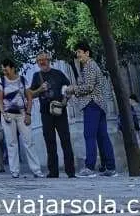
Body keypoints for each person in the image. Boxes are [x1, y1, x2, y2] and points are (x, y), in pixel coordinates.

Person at [64, 41, 116, 178]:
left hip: (92, 103)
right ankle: (110, 167)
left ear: (87, 53)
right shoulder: (89, 66)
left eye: (80, 53)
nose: (78, 56)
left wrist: (73, 89)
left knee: (89, 135)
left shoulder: (90, 66)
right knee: (102, 136)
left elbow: (88, 87)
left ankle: (89, 167)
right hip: (99, 104)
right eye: (77, 54)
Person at [28, 51, 75, 178]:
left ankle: (71, 171)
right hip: (46, 113)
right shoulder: (36, 76)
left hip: (60, 111)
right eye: (39, 61)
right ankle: (53, 172)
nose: (42, 62)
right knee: (50, 142)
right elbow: (31, 94)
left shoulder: (58, 73)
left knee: (65, 140)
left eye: (44, 59)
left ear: (49, 60)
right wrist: (40, 89)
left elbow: (69, 87)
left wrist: (66, 99)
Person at [0, 58, 44, 178]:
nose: (4, 72)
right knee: (12, 143)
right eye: (3, 70)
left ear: (12, 68)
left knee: (29, 141)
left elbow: (29, 97)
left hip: (22, 113)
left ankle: (36, 170)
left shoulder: (22, 80)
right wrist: (3, 113)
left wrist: (28, 114)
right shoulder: (1, 81)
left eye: (6, 69)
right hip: (8, 114)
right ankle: (14, 171)